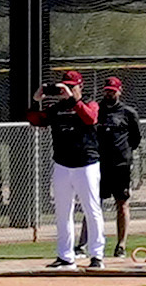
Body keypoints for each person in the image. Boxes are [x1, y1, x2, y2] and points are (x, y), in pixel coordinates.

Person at [37, 76, 107, 267]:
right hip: (62, 164)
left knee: (92, 210)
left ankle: (97, 256)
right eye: (64, 87)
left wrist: (73, 100)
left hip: (86, 164)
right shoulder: (56, 109)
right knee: (62, 212)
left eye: (71, 87)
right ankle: (65, 257)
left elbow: (90, 118)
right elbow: (36, 120)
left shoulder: (90, 104)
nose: (66, 90)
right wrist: (36, 101)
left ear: (80, 87)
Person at [99, 73, 146, 245]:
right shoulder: (96, 110)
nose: (109, 94)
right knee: (93, 205)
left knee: (122, 204)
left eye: (112, 91)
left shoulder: (128, 113)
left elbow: (135, 139)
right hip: (99, 164)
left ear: (119, 91)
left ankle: (121, 244)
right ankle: (86, 243)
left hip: (121, 165)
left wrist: (124, 153)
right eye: (107, 91)